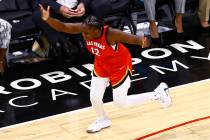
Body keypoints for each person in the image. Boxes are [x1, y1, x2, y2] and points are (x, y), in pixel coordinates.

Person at [39, 5, 172, 133]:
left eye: (87, 32)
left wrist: (144, 41)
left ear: (97, 31)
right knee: (94, 97)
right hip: (101, 64)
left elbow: (134, 39)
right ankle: (102, 120)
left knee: (121, 103)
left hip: (119, 66)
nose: (83, 34)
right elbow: (63, 27)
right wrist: (48, 19)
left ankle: (158, 94)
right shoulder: (85, 27)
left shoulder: (111, 34)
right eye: (83, 30)